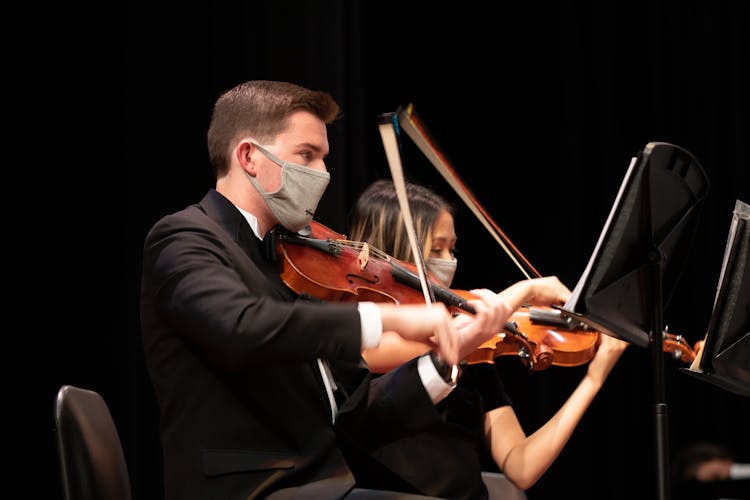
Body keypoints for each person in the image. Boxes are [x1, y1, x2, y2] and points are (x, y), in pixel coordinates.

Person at [140, 80, 535, 500]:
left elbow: (357, 417)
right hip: (252, 488)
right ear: (249, 156)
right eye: (306, 156)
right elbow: (243, 326)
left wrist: (446, 356)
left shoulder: (296, 259)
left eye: (324, 158)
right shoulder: (184, 238)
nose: (323, 174)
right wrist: (388, 316)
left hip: (323, 484)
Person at [340, 179, 630, 499]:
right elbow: (437, 346)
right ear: (394, 249)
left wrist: (593, 379)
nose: (449, 260)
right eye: (437, 249)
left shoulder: (475, 355)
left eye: (452, 248)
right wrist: (525, 291)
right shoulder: (358, 331)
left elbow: (522, 467)